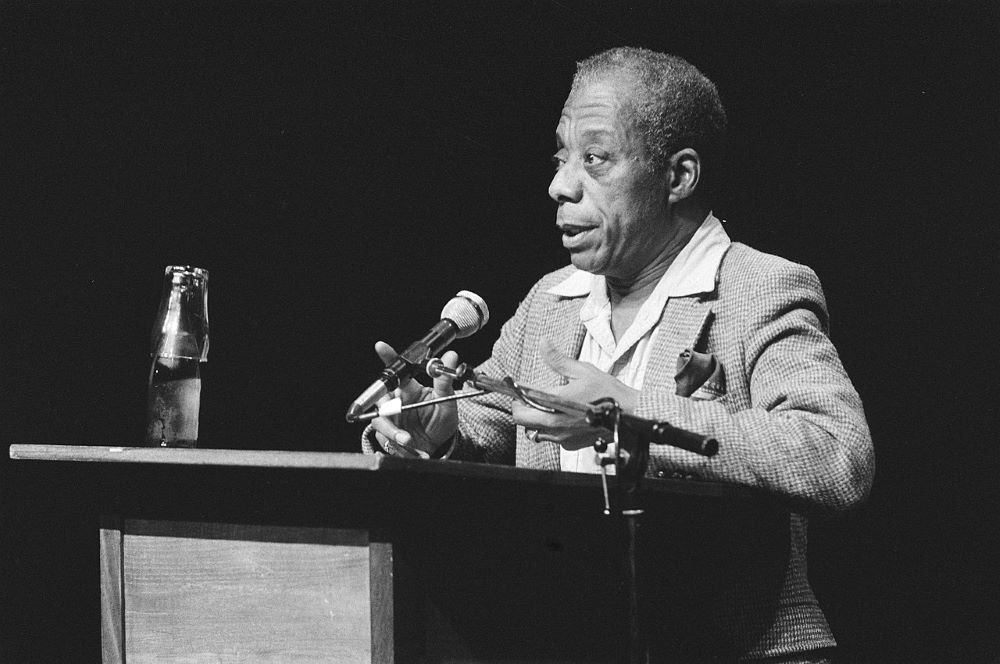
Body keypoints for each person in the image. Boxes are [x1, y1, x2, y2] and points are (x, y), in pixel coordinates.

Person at [362, 46, 874, 662]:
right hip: (566, 641)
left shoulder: (760, 288)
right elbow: (499, 419)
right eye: (562, 157)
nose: (560, 184)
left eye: (595, 159)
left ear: (678, 176)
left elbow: (836, 457)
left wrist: (625, 411)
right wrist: (436, 429)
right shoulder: (552, 301)